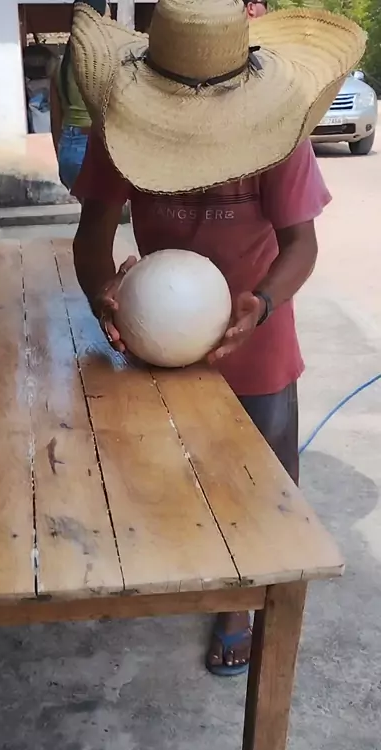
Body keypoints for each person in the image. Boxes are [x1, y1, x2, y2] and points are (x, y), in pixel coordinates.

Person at [70, 0, 365, 675]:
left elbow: (301, 245)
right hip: (158, 337)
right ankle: (191, 565)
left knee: (264, 484)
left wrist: (262, 303)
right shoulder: (124, 127)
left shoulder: (277, 131)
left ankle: (240, 602)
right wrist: (103, 294)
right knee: (170, 470)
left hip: (254, 336)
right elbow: (93, 235)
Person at [49, 0, 108, 193]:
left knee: (89, 209)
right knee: (102, 212)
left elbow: (55, 119)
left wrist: (61, 155)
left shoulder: (60, 65)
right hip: (94, 149)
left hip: (68, 150)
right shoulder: (105, 64)